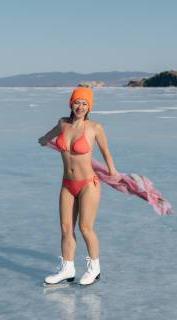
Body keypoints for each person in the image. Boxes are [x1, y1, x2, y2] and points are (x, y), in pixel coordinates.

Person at [38, 87, 117, 286]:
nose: (80, 106)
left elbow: (106, 151)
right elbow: (49, 135)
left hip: (88, 184)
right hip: (67, 184)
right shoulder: (63, 124)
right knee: (65, 228)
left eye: (85, 103)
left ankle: (94, 268)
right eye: (77, 102)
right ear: (70, 104)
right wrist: (44, 140)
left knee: (85, 228)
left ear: (90, 106)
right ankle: (67, 268)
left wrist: (113, 171)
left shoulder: (95, 127)